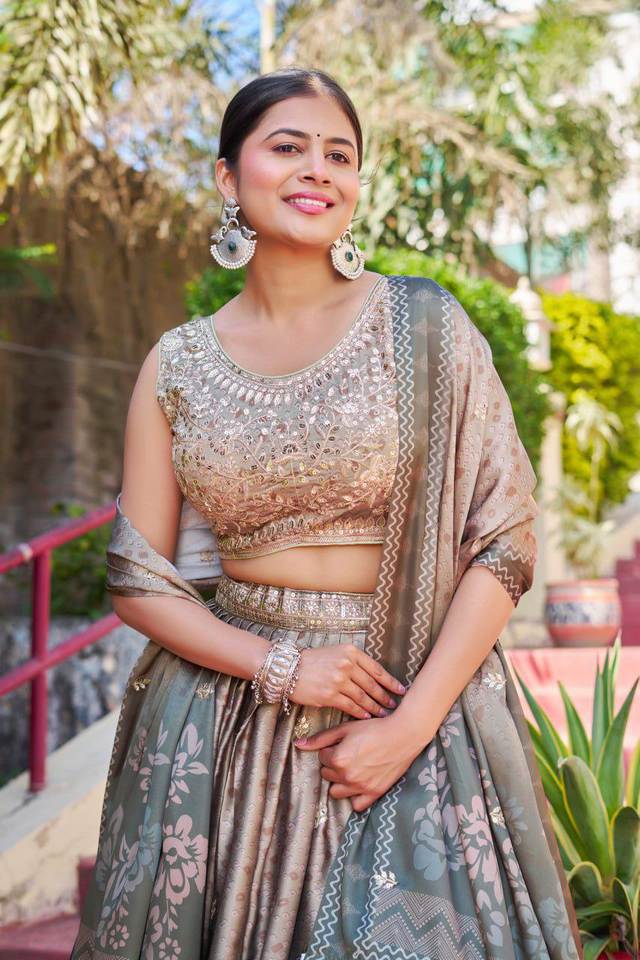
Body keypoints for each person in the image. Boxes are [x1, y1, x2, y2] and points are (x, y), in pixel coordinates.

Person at [71, 68, 583, 960]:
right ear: (228, 177)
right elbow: (138, 579)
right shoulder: (177, 364)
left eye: (339, 155)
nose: (318, 170)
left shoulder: (425, 327)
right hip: (228, 732)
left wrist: (407, 729)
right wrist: (283, 668)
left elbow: (503, 542)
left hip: (417, 705)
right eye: (287, 147)